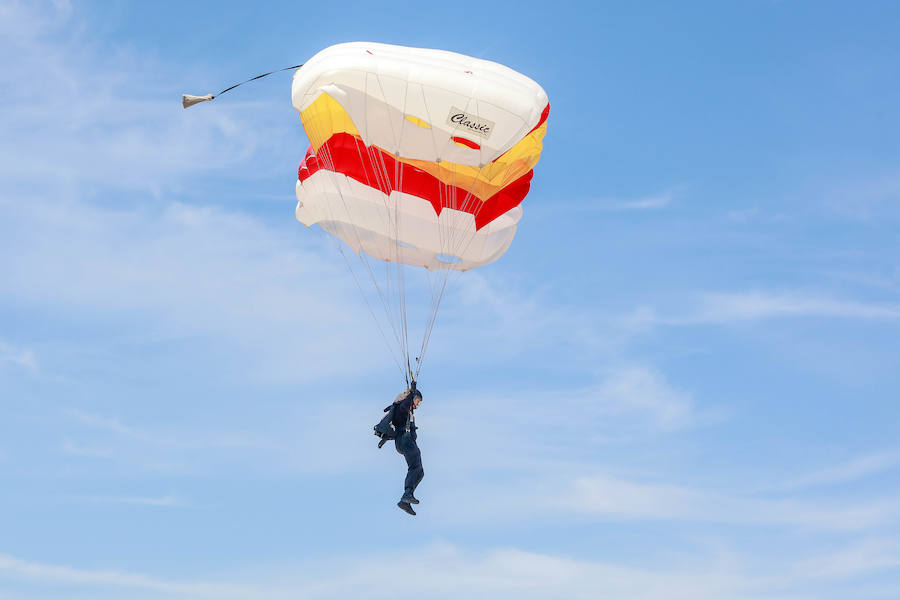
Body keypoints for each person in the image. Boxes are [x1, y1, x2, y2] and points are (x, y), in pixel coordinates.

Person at [392, 384, 423, 515]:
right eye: (418, 401)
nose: (418, 404)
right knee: (416, 467)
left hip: (404, 441)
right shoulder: (403, 405)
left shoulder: (407, 409)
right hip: (405, 439)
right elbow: (405, 406)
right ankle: (407, 494)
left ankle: (406, 499)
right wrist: (410, 396)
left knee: (419, 471)